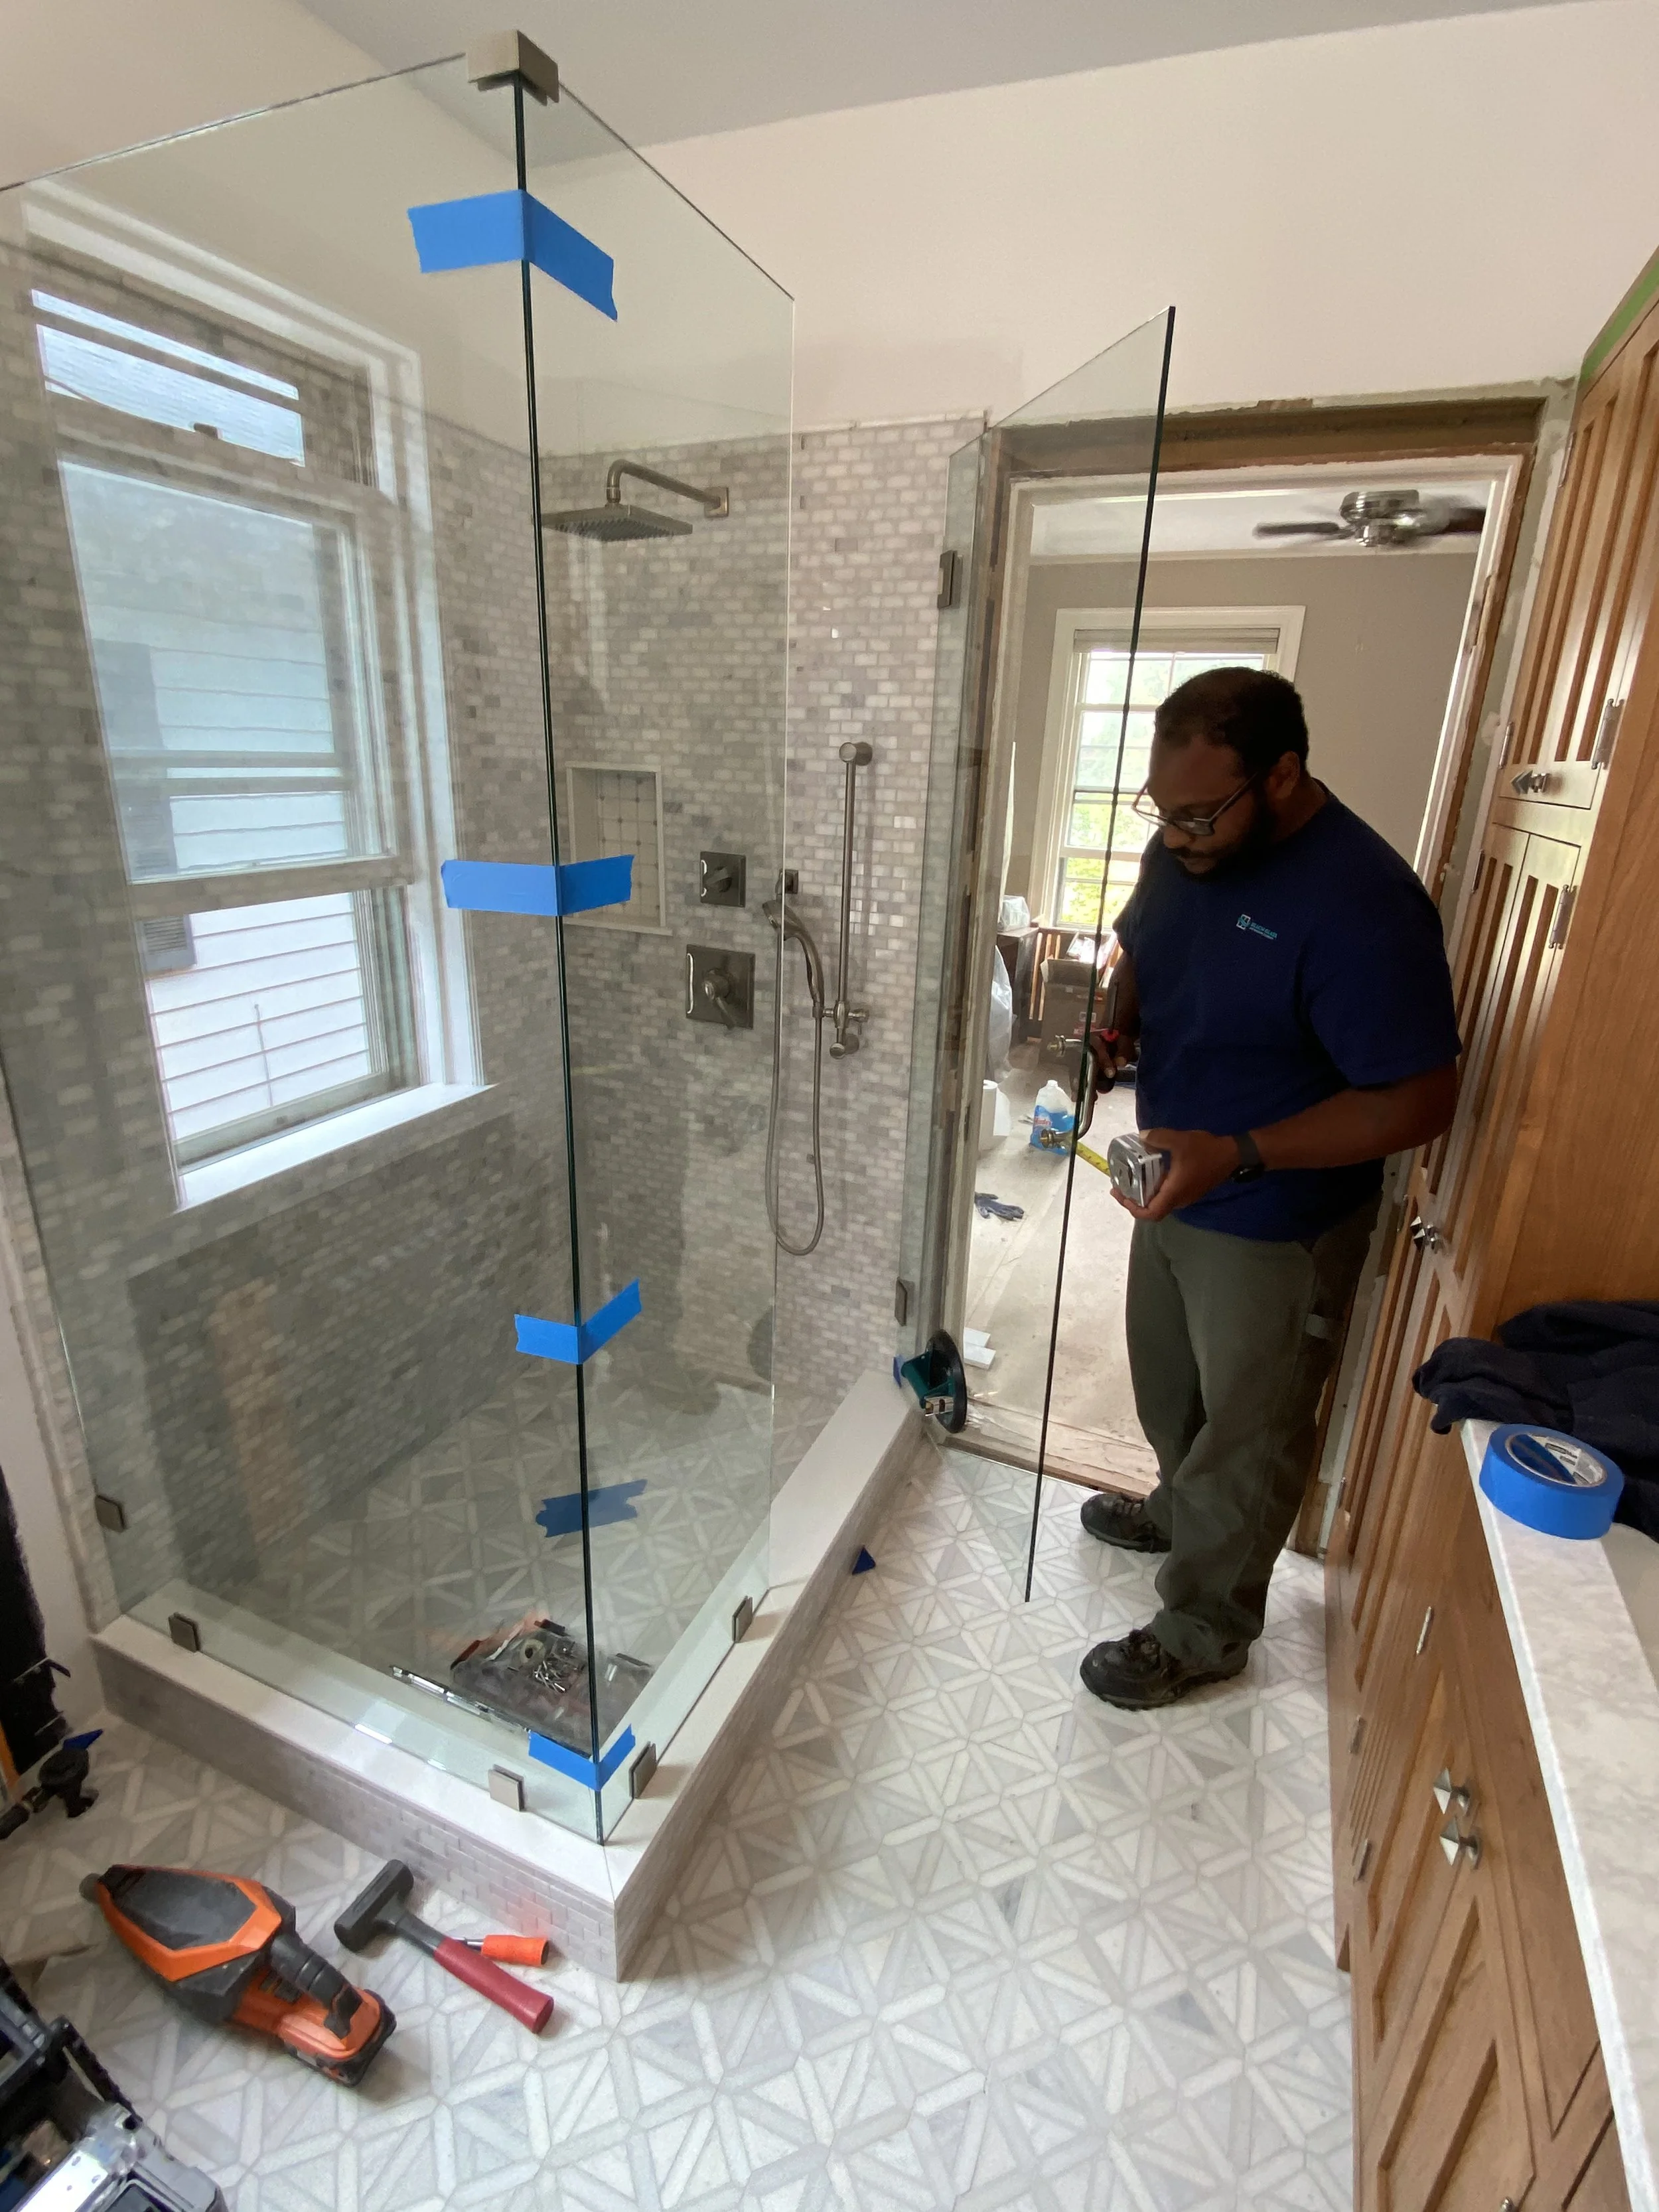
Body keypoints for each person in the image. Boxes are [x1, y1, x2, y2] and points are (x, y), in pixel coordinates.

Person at [1078, 666, 1460, 1710]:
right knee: (1171, 1387)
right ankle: (1172, 1505)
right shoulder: (1183, 850)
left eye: (1202, 814)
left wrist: (1234, 1152)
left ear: (1283, 776)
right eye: (1165, 813)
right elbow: (1141, 945)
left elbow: (1416, 1103)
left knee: (1251, 1429)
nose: (1180, 835)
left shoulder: (1364, 906)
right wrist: (1118, 1023)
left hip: (1278, 1217)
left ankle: (1204, 1626)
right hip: (1173, 1181)